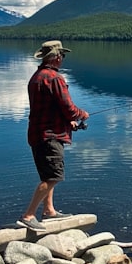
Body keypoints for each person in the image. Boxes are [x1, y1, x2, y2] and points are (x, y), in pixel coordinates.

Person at [17, 40, 89, 231]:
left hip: (38, 133)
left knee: (48, 174)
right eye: (62, 56)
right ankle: (29, 215)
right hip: (49, 136)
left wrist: (68, 122)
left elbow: (51, 109)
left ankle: (49, 211)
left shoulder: (37, 77)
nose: (63, 59)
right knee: (53, 177)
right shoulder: (55, 78)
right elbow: (69, 109)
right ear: (57, 57)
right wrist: (81, 115)